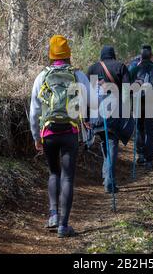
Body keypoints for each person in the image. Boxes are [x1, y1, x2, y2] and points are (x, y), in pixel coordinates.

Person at [30, 34, 91, 238]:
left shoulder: (42, 76)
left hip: (48, 131)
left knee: (54, 172)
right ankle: (64, 226)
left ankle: (53, 214)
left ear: (51, 54)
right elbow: (91, 100)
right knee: (67, 177)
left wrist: (36, 137)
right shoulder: (77, 75)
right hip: (70, 131)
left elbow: (34, 111)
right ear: (68, 54)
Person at [87, 46, 131, 194]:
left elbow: (88, 94)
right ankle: (110, 182)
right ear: (113, 55)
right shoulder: (121, 67)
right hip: (113, 112)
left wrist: (86, 117)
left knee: (105, 142)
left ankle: (106, 176)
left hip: (96, 113)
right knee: (112, 143)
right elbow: (125, 93)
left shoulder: (92, 68)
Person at [130, 45, 153, 171]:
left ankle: (140, 155)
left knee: (139, 130)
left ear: (140, 57)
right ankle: (149, 161)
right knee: (150, 133)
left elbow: (127, 87)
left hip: (137, 104)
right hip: (152, 104)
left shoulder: (134, 70)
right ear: (152, 57)